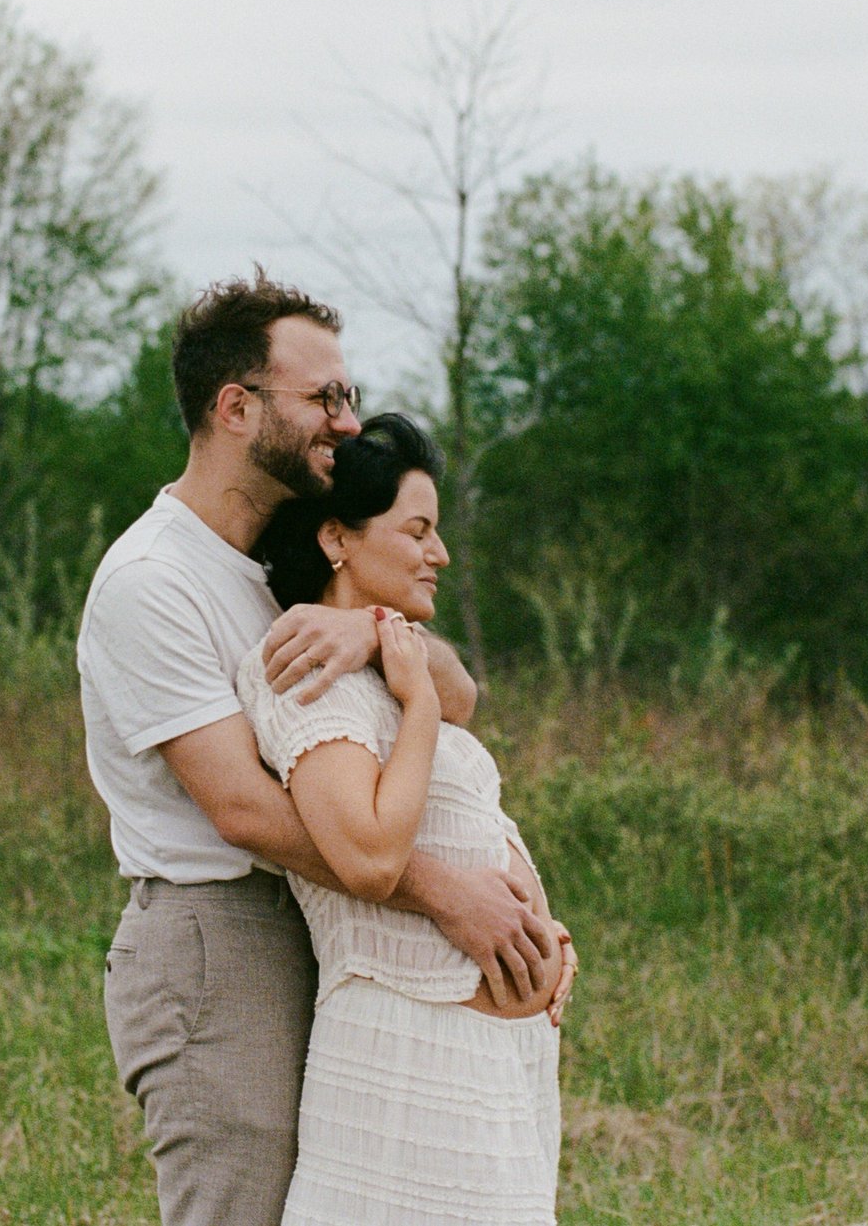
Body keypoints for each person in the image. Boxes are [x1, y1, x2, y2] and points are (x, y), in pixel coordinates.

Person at [77, 273, 563, 1226]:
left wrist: (374, 628)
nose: (346, 421)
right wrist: (445, 892)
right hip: (220, 938)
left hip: (325, 919)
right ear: (235, 407)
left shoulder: (282, 564)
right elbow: (243, 808)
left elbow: (459, 696)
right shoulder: (152, 579)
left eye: (348, 394)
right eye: (324, 397)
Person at [238, 412, 574, 1225]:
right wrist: (419, 702)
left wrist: (542, 926)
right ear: (337, 539)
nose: (441, 552)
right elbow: (373, 856)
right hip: (404, 1064)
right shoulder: (305, 671)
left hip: (493, 1068)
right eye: (418, 529)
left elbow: (467, 787)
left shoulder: (389, 660)